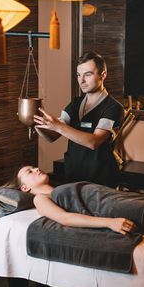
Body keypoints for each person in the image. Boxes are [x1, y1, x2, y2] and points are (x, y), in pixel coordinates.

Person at [34, 51, 124, 188]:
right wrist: (35, 122)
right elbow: (52, 136)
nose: (81, 80)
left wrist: (58, 126)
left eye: (88, 74)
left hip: (100, 181)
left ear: (103, 75)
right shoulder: (75, 103)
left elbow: (94, 141)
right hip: (73, 176)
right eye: (78, 75)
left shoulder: (113, 108)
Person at [0, 165, 136, 236]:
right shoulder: (40, 199)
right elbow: (65, 218)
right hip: (113, 207)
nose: (36, 169)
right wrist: (110, 222)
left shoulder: (60, 187)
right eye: (30, 172)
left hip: (116, 198)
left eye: (34, 167)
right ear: (25, 188)